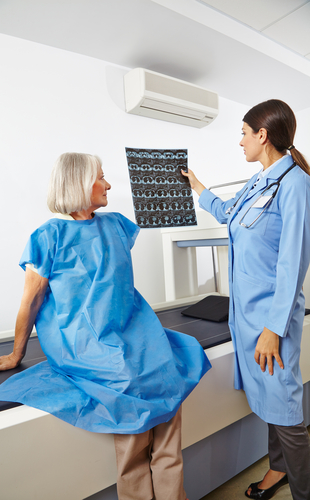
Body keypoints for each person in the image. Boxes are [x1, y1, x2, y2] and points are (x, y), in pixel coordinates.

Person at [0, 152, 211, 500]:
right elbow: (31, 300)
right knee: (131, 385)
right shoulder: (49, 235)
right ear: (79, 184)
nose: (109, 183)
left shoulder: (115, 223)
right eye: (101, 177)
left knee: (170, 366)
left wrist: (183, 185)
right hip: (88, 341)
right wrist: (16, 353)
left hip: (136, 331)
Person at [182, 100, 310, 500]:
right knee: (272, 405)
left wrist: (273, 329)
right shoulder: (260, 180)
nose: (239, 141)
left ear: (262, 135)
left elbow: (293, 264)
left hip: (271, 320)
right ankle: (277, 471)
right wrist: (196, 185)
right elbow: (228, 212)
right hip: (248, 318)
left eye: (242, 133)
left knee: (285, 411)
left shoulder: (295, 184)